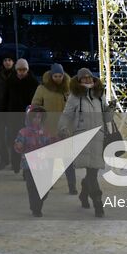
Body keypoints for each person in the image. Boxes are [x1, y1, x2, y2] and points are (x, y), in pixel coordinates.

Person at [58, 67, 110, 218]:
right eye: (84, 78)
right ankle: (98, 203)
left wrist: (110, 109)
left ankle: (83, 193)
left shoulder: (100, 95)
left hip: (98, 138)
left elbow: (107, 118)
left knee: (92, 171)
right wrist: (62, 128)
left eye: (89, 77)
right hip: (83, 138)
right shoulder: (75, 96)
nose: (87, 79)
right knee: (92, 173)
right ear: (79, 80)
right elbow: (66, 115)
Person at [32, 63, 76, 195]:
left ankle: (72, 186)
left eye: (60, 76)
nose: (58, 78)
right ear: (51, 76)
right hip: (48, 128)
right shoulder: (42, 89)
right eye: (56, 76)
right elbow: (35, 105)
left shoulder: (69, 88)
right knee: (49, 160)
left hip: (65, 129)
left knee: (68, 160)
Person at [13, 104, 55, 216]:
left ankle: (38, 203)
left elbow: (50, 144)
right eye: (34, 117)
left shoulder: (45, 132)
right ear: (29, 118)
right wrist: (19, 146)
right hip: (29, 165)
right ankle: (36, 208)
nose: (37, 120)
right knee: (32, 188)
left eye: (39, 117)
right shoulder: (23, 132)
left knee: (43, 189)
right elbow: (17, 147)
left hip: (43, 165)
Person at [0, 59, 38, 172]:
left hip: (28, 117)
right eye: (19, 70)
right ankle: (15, 165)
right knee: (15, 141)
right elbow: (5, 99)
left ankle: (27, 169)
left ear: (27, 70)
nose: (21, 72)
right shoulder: (10, 81)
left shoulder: (33, 82)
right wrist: (3, 114)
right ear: (16, 70)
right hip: (13, 116)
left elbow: (37, 100)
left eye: (24, 70)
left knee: (29, 142)